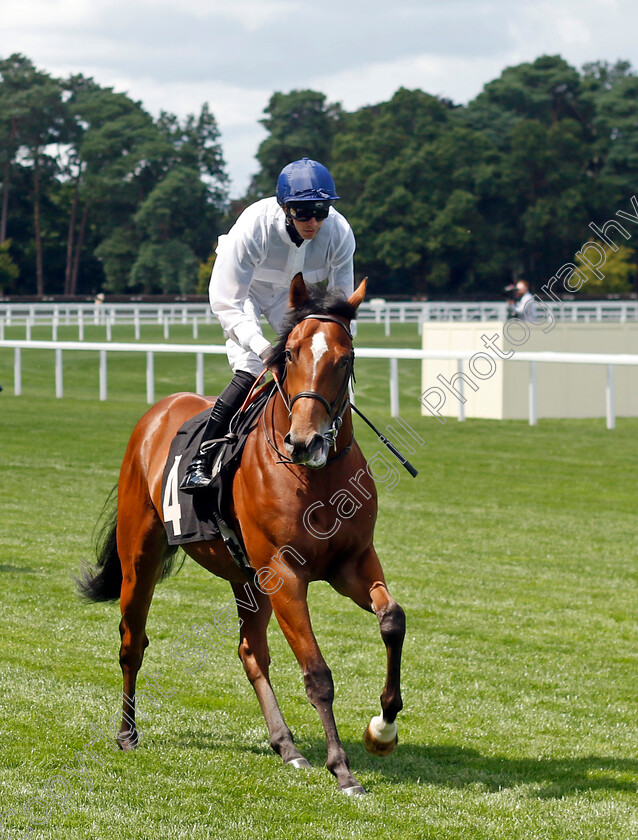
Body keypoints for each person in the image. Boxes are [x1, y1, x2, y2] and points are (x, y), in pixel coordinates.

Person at [179, 157, 356, 493]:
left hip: (296, 302)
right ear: (285, 207)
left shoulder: (340, 233)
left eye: (321, 211)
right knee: (250, 371)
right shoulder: (254, 227)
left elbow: (342, 305)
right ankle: (203, 456)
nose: (313, 221)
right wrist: (263, 349)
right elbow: (226, 300)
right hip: (246, 297)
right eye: (303, 212)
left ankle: (327, 445)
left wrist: (340, 351)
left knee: (323, 371)